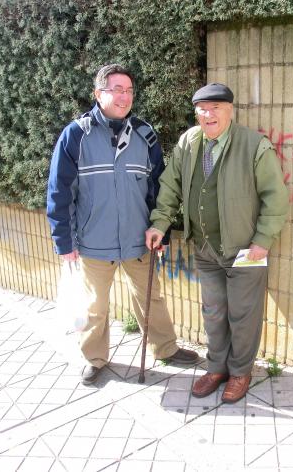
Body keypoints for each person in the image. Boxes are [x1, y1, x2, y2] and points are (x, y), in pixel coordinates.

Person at [46, 64, 198, 386]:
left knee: (151, 298)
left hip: (138, 240)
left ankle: (165, 348)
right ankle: (94, 358)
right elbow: (60, 191)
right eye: (117, 90)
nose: (124, 97)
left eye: (129, 91)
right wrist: (64, 242)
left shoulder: (145, 134)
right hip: (93, 241)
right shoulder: (76, 135)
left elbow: (158, 188)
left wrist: (161, 232)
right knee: (95, 306)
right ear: (98, 93)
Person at [145, 83, 288, 403]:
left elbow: (275, 197)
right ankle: (217, 368)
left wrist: (263, 240)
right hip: (206, 248)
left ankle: (240, 372)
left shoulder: (254, 145)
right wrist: (159, 223)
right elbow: (170, 186)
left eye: (216, 108)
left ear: (230, 110)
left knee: (243, 315)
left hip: (246, 249)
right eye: (202, 109)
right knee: (213, 313)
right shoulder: (188, 142)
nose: (208, 115)